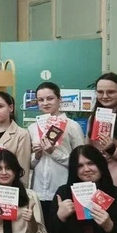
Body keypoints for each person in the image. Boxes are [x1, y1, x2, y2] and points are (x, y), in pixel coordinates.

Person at [28, 82, 86, 221]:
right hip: (38, 190)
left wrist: (53, 152)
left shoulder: (72, 126)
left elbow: (80, 162)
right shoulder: (32, 128)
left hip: (63, 188)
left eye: (50, 98)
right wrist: (37, 155)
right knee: (40, 228)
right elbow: (29, 165)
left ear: (59, 99)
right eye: (41, 100)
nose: (45, 103)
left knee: (61, 228)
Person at [0, 92, 32, 185]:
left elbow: (23, 167)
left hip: (9, 186)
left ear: (11, 108)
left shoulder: (21, 134)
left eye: (0, 106)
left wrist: (22, 190)